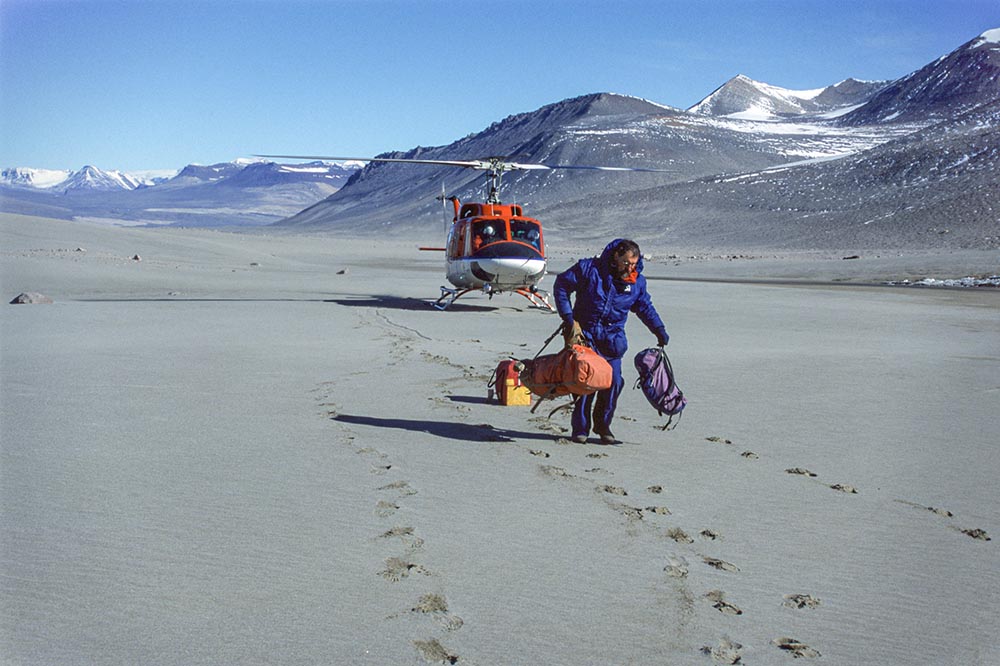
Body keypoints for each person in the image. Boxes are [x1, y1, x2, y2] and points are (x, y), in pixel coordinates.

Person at [553, 239, 669, 444]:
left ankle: (603, 425)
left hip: (612, 340)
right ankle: (580, 428)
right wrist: (568, 318)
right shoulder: (589, 269)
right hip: (584, 336)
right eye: (626, 263)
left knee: (613, 382)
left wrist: (659, 330)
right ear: (615, 257)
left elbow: (644, 308)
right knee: (585, 382)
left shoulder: (637, 282)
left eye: (634, 263)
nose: (630, 267)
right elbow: (562, 284)